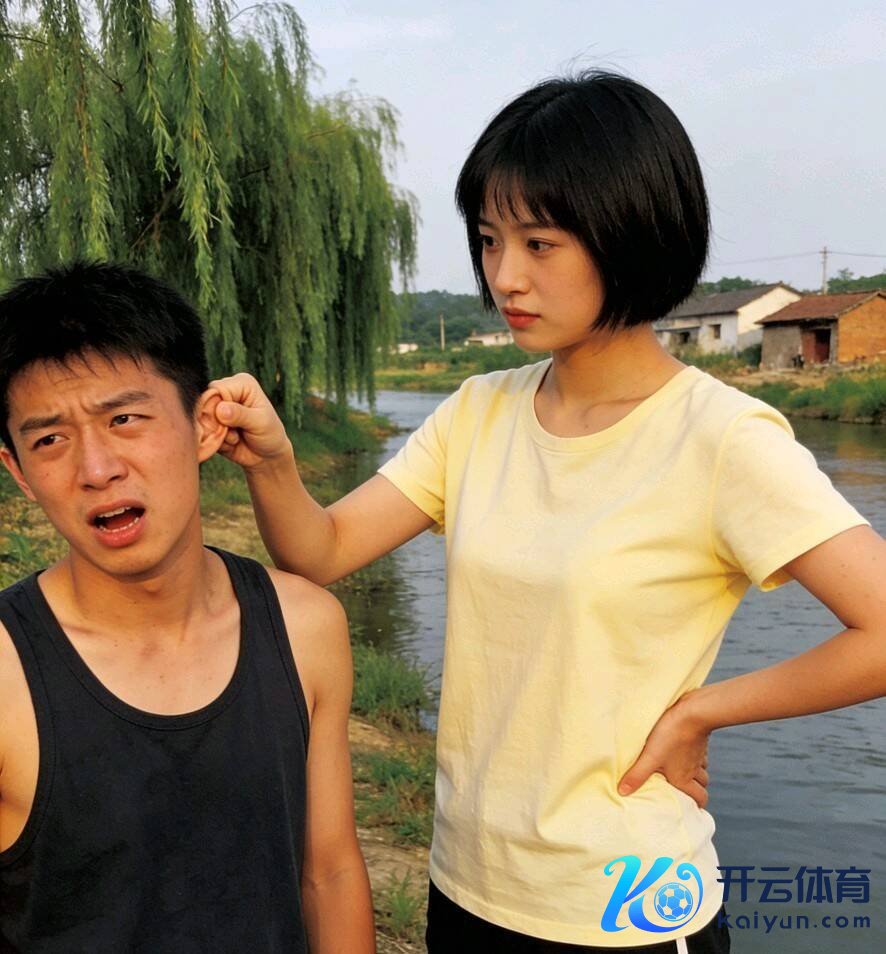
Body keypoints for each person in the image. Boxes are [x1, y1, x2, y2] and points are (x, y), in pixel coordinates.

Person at [210, 71, 886, 953]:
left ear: (630, 235)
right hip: (470, 882)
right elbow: (323, 551)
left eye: (540, 244)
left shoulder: (720, 437)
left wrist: (701, 712)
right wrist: (274, 463)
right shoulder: (478, 412)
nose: (505, 276)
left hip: (625, 911)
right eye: (490, 242)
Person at [0, 262, 375, 953]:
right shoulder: (7, 673)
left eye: (125, 419)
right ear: (18, 471)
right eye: (50, 439)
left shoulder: (305, 626)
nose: (97, 469)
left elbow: (329, 872)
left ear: (205, 426)